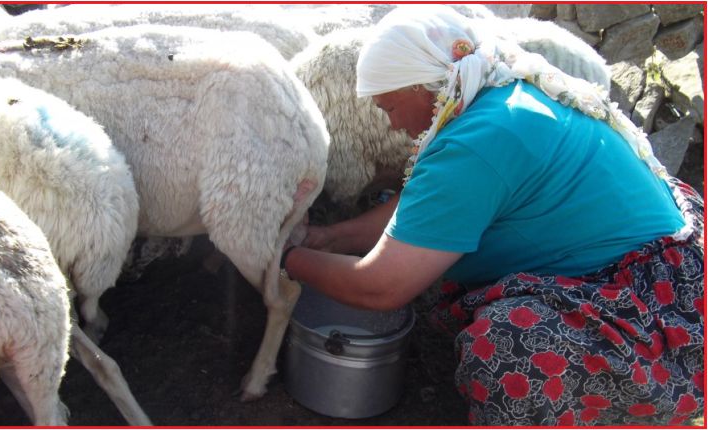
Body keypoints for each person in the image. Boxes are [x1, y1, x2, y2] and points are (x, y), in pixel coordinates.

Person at [280, 5, 704, 426]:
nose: (391, 125)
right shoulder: (504, 93)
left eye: (388, 107)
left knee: (506, 346)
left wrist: (286, 259)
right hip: (673, 271)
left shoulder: (478, 142)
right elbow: (428, 209)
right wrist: (330, 239)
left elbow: (380, 287)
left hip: (659, 324)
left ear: (421, 88)